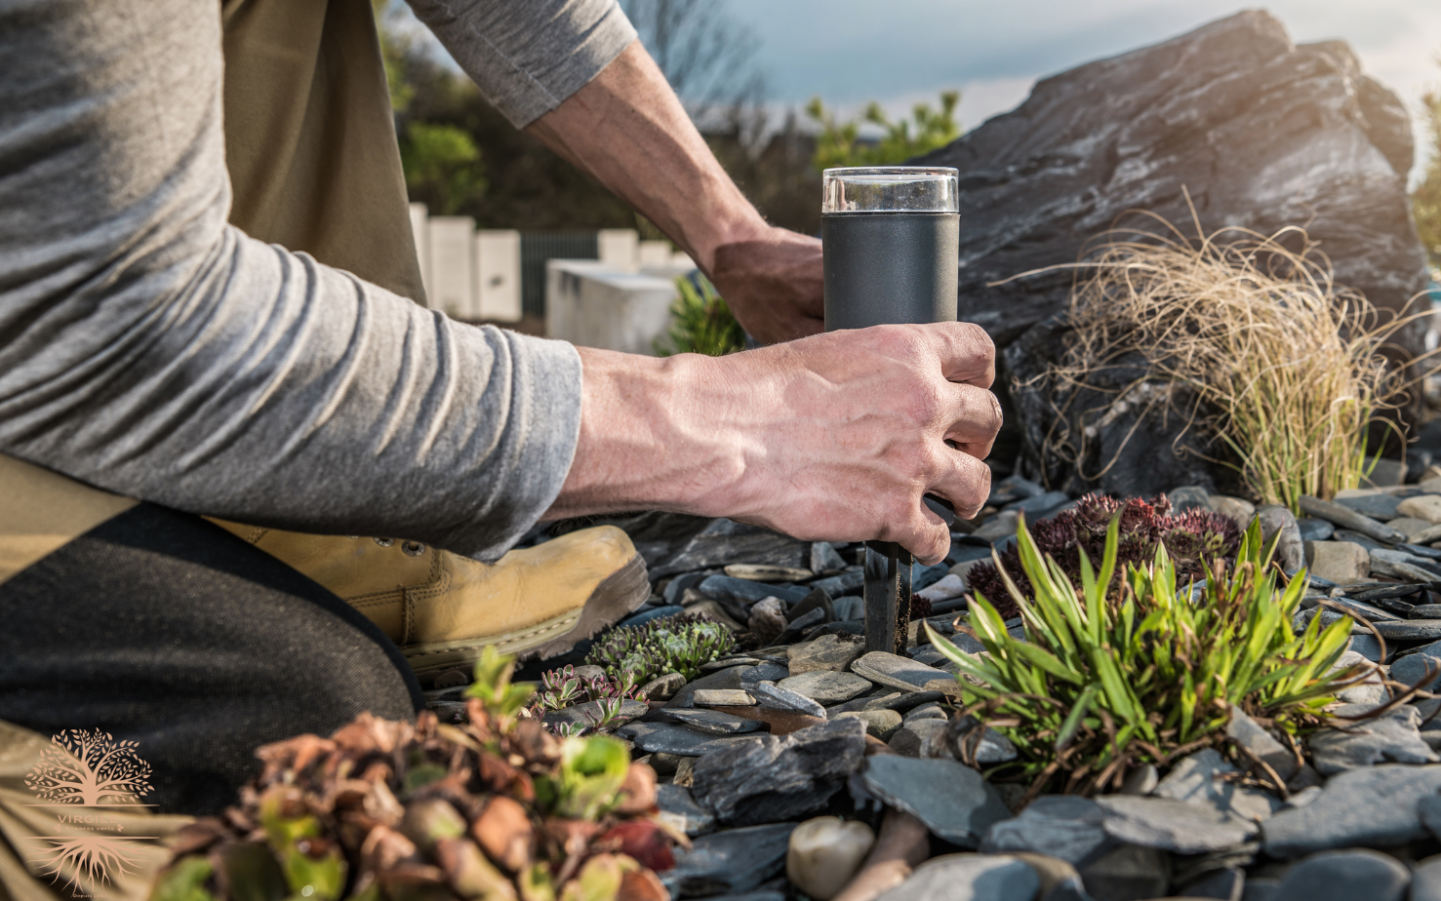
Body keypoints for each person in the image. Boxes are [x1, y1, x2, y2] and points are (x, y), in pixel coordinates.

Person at [0, 0, 999, 843]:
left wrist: (727, 233)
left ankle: (302, 520)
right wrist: (732, 424)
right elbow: (106, 312)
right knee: (275, 732)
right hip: (58, 322)